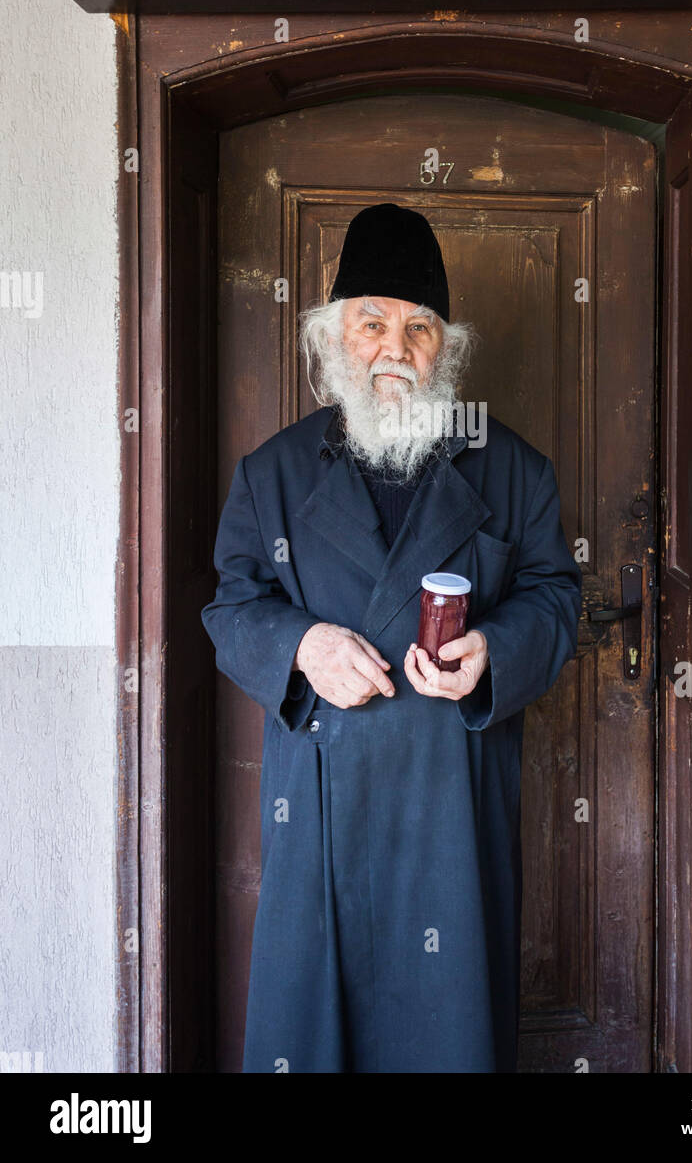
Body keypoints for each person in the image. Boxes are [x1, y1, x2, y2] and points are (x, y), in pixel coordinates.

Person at [201, 201, 582, 1073]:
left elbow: (555, 596)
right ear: (335, 336)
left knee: (444, 1036)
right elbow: (230, 607)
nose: (394, 348)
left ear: (446, 348)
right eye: (371, 322)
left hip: (450, 815)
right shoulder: (273, 474)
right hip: (321, 813)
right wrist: (303, 647)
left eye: (418, 328)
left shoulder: (514, 468)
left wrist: (496, 654)